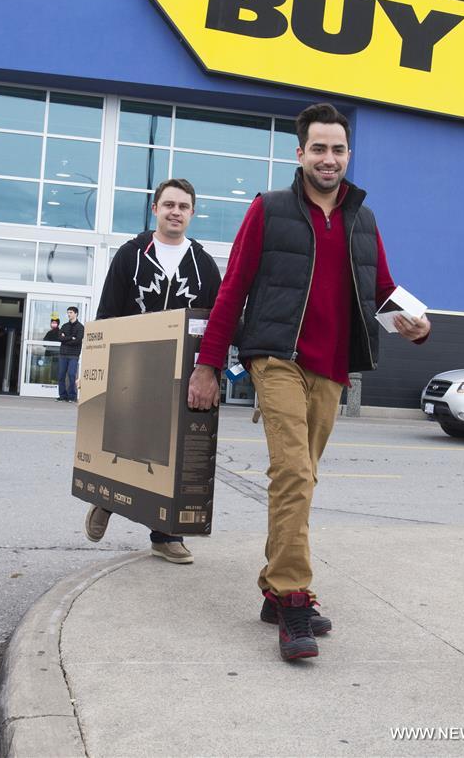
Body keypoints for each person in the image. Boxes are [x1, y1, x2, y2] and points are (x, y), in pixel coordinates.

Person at [188, 103, 431, 661]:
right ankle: (294, 596)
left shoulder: (363, 219)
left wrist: (415, 327)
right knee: (293, 470)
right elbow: (234, 289)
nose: (329, 158)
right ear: (300, 154)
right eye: (318, 148)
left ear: (349, 154)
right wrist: (209, 363)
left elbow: (383, 290)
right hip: (275, 357)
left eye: (338, 149)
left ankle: (274, 590)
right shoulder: (269, 210)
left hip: (332, 366)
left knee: (302, 479)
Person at [85, 178, 222, 564]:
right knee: (124, 443)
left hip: (181, 374)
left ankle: (166, 535)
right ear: (155, 209)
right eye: (169, 205)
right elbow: (107, 314)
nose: (175, 212)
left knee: (171, 456)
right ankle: (105, 499)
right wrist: (93, 366)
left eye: (183, 206)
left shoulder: (204, 264)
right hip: (132, 367)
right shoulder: (131, 255)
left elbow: (218, 320)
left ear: (192, 213)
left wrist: (218, 370)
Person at [57, 307, 84, 402]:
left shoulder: (80, 327)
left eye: (71, 312)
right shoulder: (64, 326)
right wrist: (71, 338)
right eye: (68, 312)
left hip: (74, 355)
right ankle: (62, 396)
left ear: (76, 314)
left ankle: (72, 396)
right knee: (61, 375)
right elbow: (60, 338)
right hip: (63, 354)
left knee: (72, 374)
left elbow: (77, 341)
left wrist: (66, 339)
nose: (69, 314)